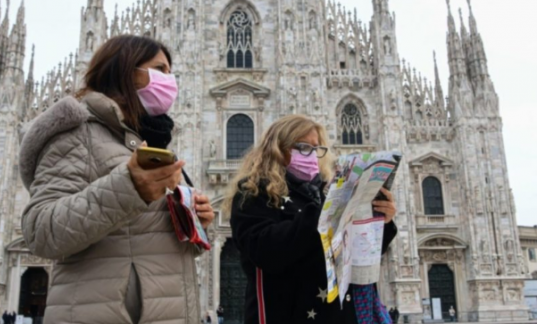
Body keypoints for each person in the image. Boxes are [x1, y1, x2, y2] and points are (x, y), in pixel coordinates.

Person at [20, 35, 214, 324]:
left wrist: (194, 223)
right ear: (125, 70)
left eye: (170, 74)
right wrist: (128, 188)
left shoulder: (149, 141)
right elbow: (40, 231)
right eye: (159, 70)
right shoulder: (78, 133)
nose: (169, 81)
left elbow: (144, 243)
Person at [227, 115, 397, 324]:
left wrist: (381, 221)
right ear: (278, 148)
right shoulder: (253, 192)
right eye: (303, 147)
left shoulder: (325, 190)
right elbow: (264, 250)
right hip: (287, 314)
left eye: (316, 148)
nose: (312, 155)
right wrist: (322, 212)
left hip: (337, 314)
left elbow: (354, 254)